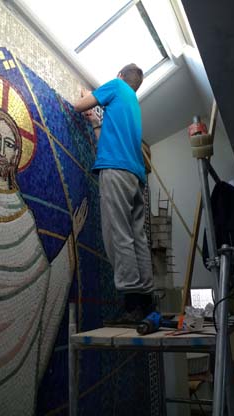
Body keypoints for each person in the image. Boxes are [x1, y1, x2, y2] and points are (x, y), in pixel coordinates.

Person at [0, 108, 87, 415]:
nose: (2, 150)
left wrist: (70, 243)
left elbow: (41, 287)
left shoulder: (23, 217)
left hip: (13, 369)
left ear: (17, 154)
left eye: (10, 144)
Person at [74, 63, 155, 324]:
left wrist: (87, 95)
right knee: (136, 237)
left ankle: (131, 305)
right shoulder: (133, 106)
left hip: (116, 172)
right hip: (135, 177)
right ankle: (145, 300)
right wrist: (97, 123)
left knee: (118, 235)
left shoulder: (116, 85)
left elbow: (78, 105)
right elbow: (107, 142)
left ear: (120, 76)